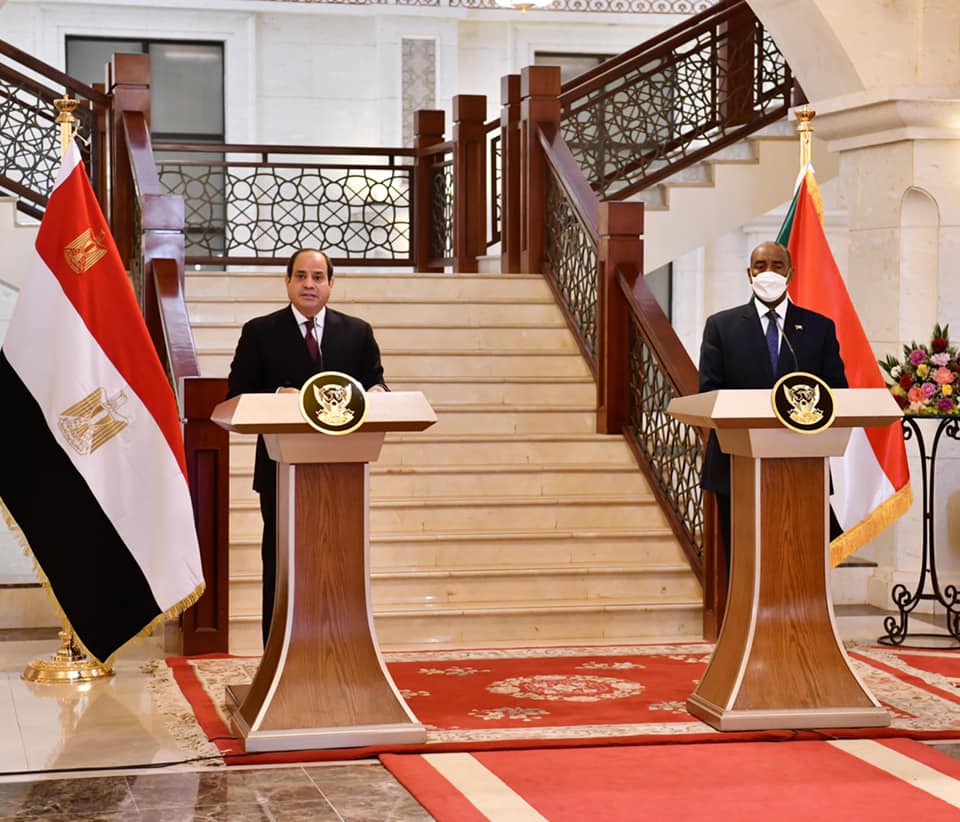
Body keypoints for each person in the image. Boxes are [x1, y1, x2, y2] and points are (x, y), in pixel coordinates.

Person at [226, 247, 387, 645]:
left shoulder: (358, 332)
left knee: (338, 562)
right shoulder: (260, 332)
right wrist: (277, 395)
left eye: (317, 277)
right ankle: (277, 651)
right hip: (280, 470)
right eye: (300, 276)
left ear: (331, 283)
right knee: (281, 562)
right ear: (287, 282)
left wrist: (379, 393)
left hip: (342, 471)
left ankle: (340, 648)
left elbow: (375, 383)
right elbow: (237, 394)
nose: (309, 285)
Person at [698, 241, 847, 577]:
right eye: (760, 265)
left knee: (799, 564)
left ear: (790, 274)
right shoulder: (721, 326)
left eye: (777, 265)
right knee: (744, 564)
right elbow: (709, 391)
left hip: (802, 463)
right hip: (736, 464)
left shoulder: (819, 327)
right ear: (749, 273)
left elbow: (836, 391)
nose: (768, 272)